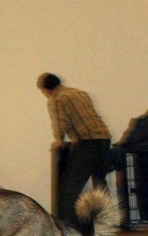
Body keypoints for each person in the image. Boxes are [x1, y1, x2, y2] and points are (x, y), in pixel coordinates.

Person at [36, 73, 111, 222]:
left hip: (87, 142)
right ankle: (106, 219)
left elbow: (60, 122)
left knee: (71, 186)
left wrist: (59, 140)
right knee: (99, 182)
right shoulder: (80, 93)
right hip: (104, 139)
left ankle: (68, 224)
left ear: (46, 89)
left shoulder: (56, 98)